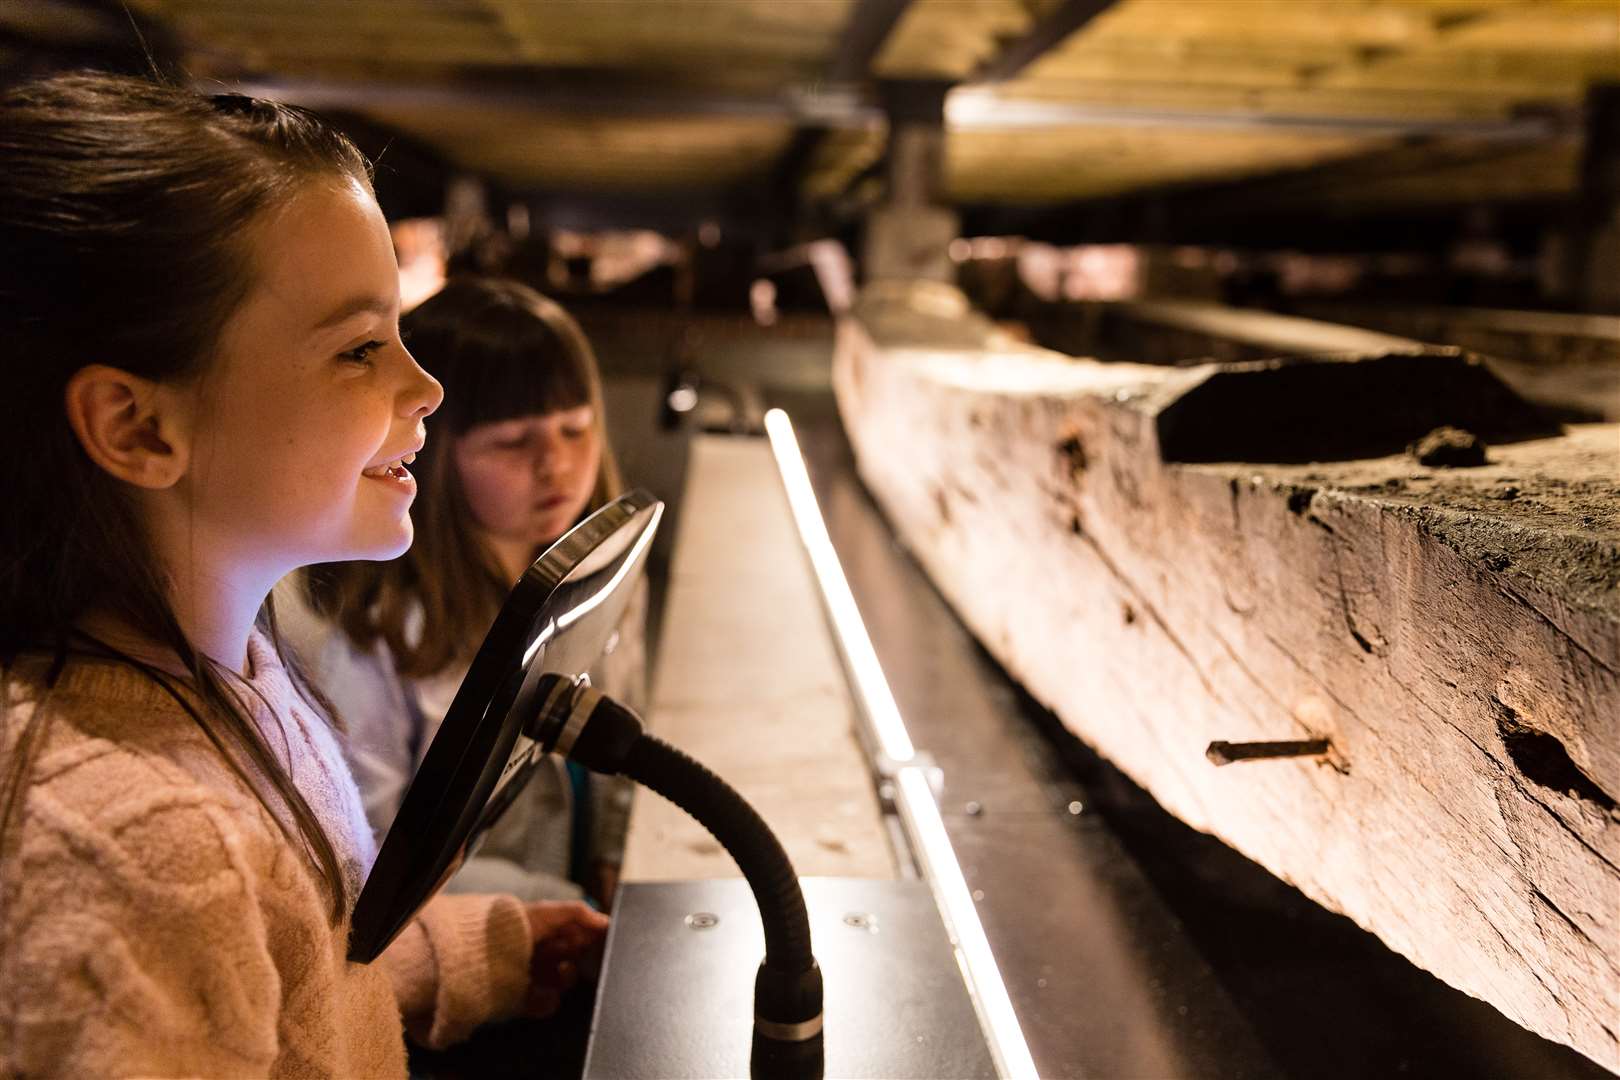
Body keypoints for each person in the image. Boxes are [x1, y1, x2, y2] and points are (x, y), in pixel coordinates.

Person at [0, 73, 606, 1077]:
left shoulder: (233, 672)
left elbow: (288, 963)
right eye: (362, 348)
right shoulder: (135, 852)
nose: (426, 387)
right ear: (138, 426)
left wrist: (465, 954)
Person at [292, 276, 646, 910]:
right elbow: (366, 858)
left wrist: (614, 855)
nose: (556, 465)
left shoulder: (605, 578)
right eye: (512, 442)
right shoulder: (382, 637)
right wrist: (548, 904)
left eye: (576, 428)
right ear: (428, 452)